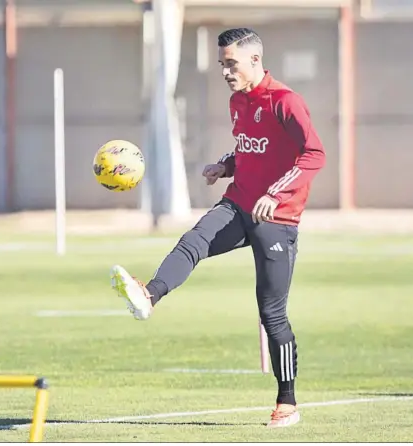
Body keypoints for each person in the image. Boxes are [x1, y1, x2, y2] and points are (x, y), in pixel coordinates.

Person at [109, 27, 326, 428]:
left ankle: (287, 402)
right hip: (239, 202)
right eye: (223, 65)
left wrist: (276, 194)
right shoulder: (237, 102)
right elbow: (249, 146)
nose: (226, 72)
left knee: (272, 313)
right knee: (195, 239)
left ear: (255, 61)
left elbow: (313, 154)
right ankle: (149, 295)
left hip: (277, 218)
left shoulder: (286, 102)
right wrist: (225, 165)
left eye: (232, 64)